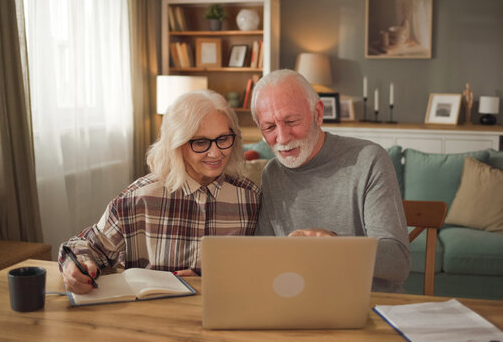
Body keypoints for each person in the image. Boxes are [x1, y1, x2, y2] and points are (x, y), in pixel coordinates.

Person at [60, 90, 260, 294]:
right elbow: (86, 247)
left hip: (224, 311)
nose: (216, 152)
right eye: (200, 142)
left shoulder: (249, 198)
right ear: (177, 144)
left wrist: (212, 279)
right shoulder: (138, 198)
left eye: (223, 138)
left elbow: (261, 269)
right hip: (149, 317)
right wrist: (75, 266)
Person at [250, 70, 410, 293]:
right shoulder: (272, 174)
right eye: (269, 127)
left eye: (292, 121)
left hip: (368, 307)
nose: (283, 138)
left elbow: (397, 263)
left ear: (318, 113)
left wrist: (336, 248)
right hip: (299, 304)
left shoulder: (368, 159)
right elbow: (265, 258)